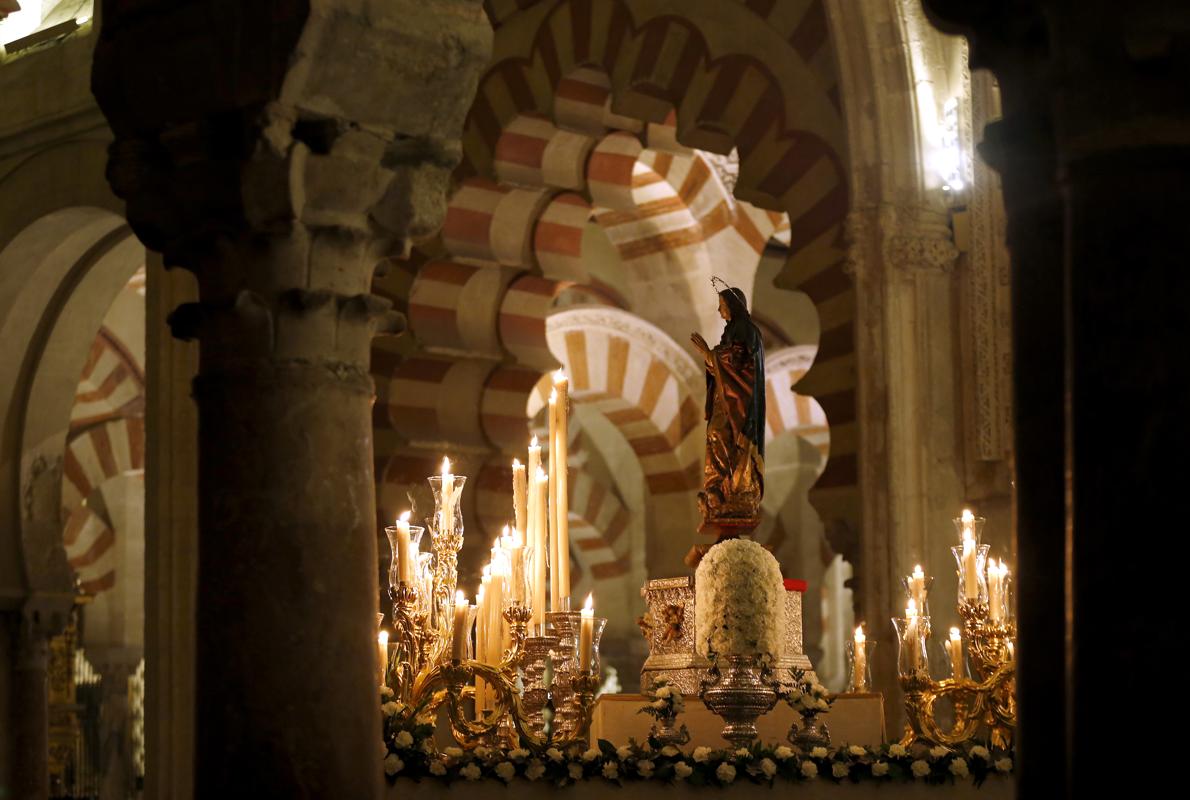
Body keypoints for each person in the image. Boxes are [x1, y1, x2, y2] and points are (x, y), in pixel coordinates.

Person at [687, 282, 765, 562]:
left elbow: (738, 366)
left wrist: (709, 354)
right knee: (714, 438)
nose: (719, 310)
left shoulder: (746, 331)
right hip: (725, 400)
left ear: (732, 305)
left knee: (723, 438)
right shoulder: (733, 331)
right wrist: (712, 358)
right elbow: (724, 364)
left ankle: (731, 490)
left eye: (722, 305)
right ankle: (719, 489)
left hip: (739, 408)